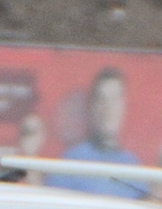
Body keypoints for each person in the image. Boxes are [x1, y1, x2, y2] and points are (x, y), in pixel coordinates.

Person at [42, 68, 149, 198]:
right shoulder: (71, 162)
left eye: (114, 99)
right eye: (102, 99)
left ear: (124, 105)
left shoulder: (132, 165)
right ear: (92, 107)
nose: (108, 108)